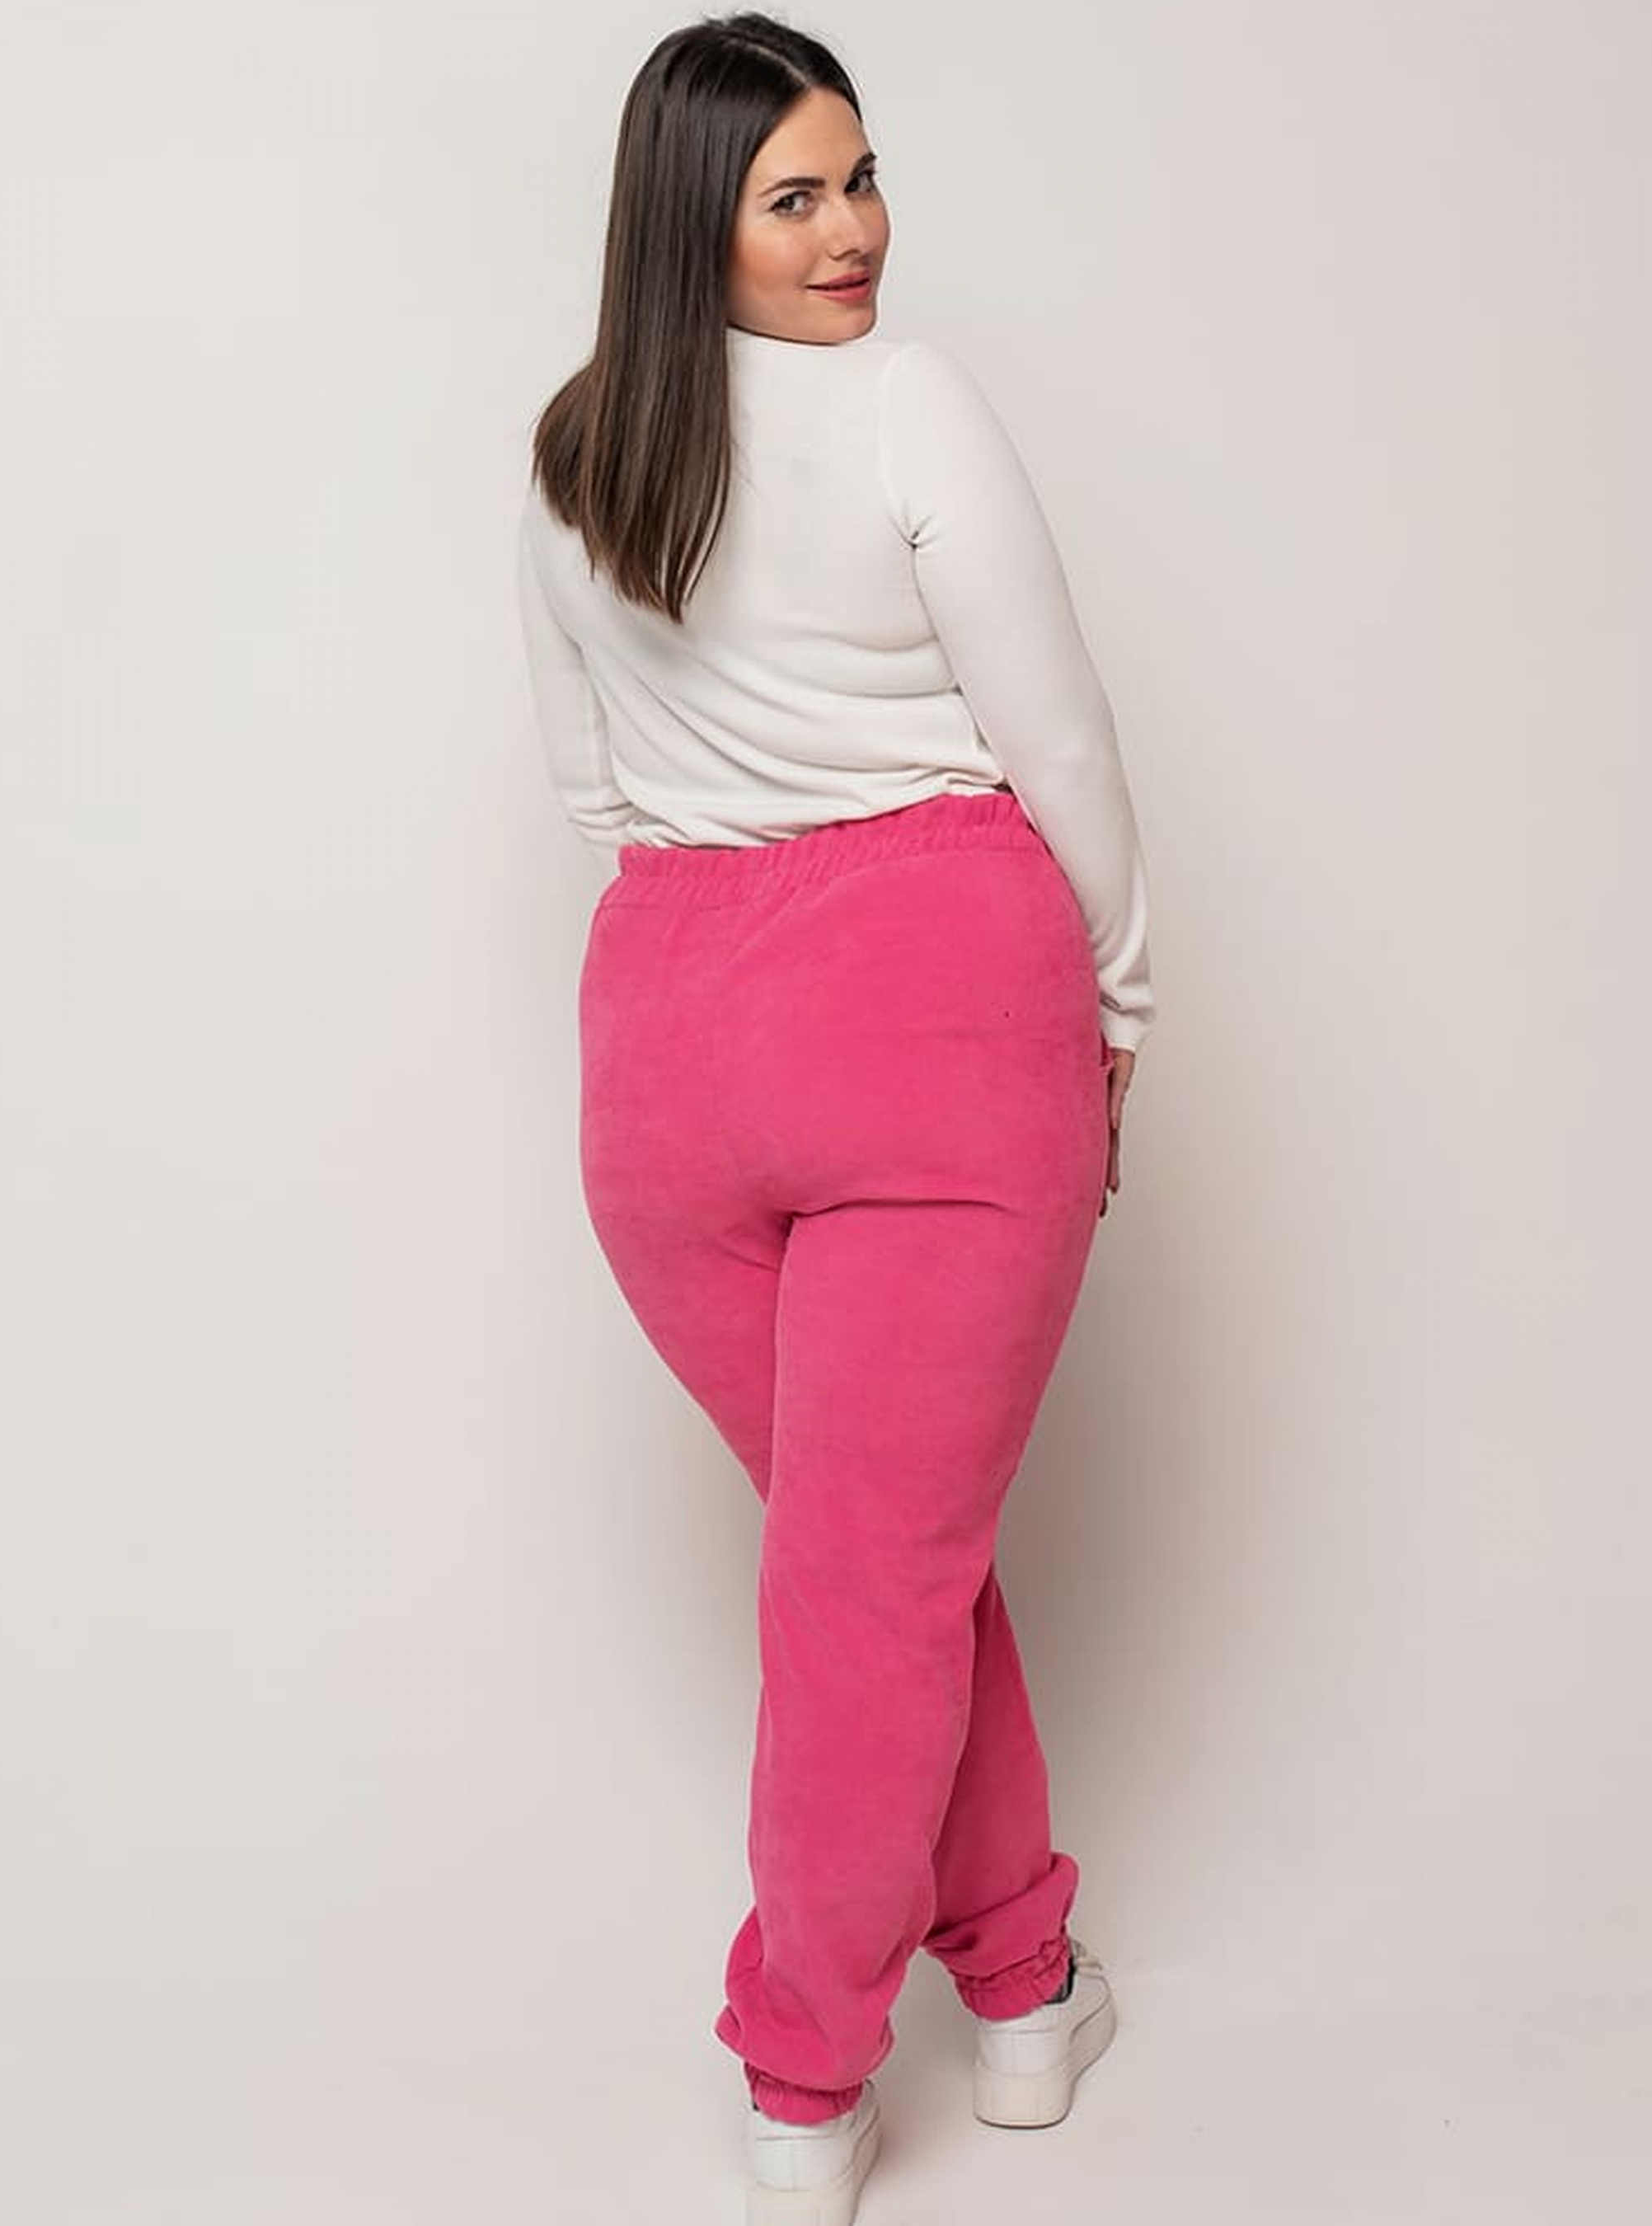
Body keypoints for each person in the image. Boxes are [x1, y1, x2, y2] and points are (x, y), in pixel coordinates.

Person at [516, 15, 1156, 2223]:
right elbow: (1058, 743)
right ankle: (805, 2079)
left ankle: (1024, 1980)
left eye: (859, 178)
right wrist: (1119, 999)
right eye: (792, 196)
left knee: (866, 1565)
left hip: (669, 1060)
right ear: (689, 222)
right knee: (876, 1582)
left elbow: (591, 790)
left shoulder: (573, 453)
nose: (852, 232)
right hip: (933, 1020)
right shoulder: (906, 402)